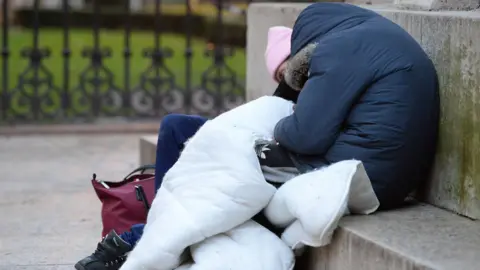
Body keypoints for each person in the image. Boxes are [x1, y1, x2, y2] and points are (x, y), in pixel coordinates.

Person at [75, 26, 295, 270]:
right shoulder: (298, 88)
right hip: (259, 146)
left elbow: (305, 136)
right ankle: (160, 222)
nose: (286, 77)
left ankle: (148, 235)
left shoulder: (325, 80)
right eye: (281, 74)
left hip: (275, 168)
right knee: (175, 125)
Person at [273, 3, 439, 210]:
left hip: (360, 176)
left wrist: (276, 127)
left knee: (249, 159)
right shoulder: (377, 36)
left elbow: (305, 136)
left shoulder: (336, 49)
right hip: (396, 183)